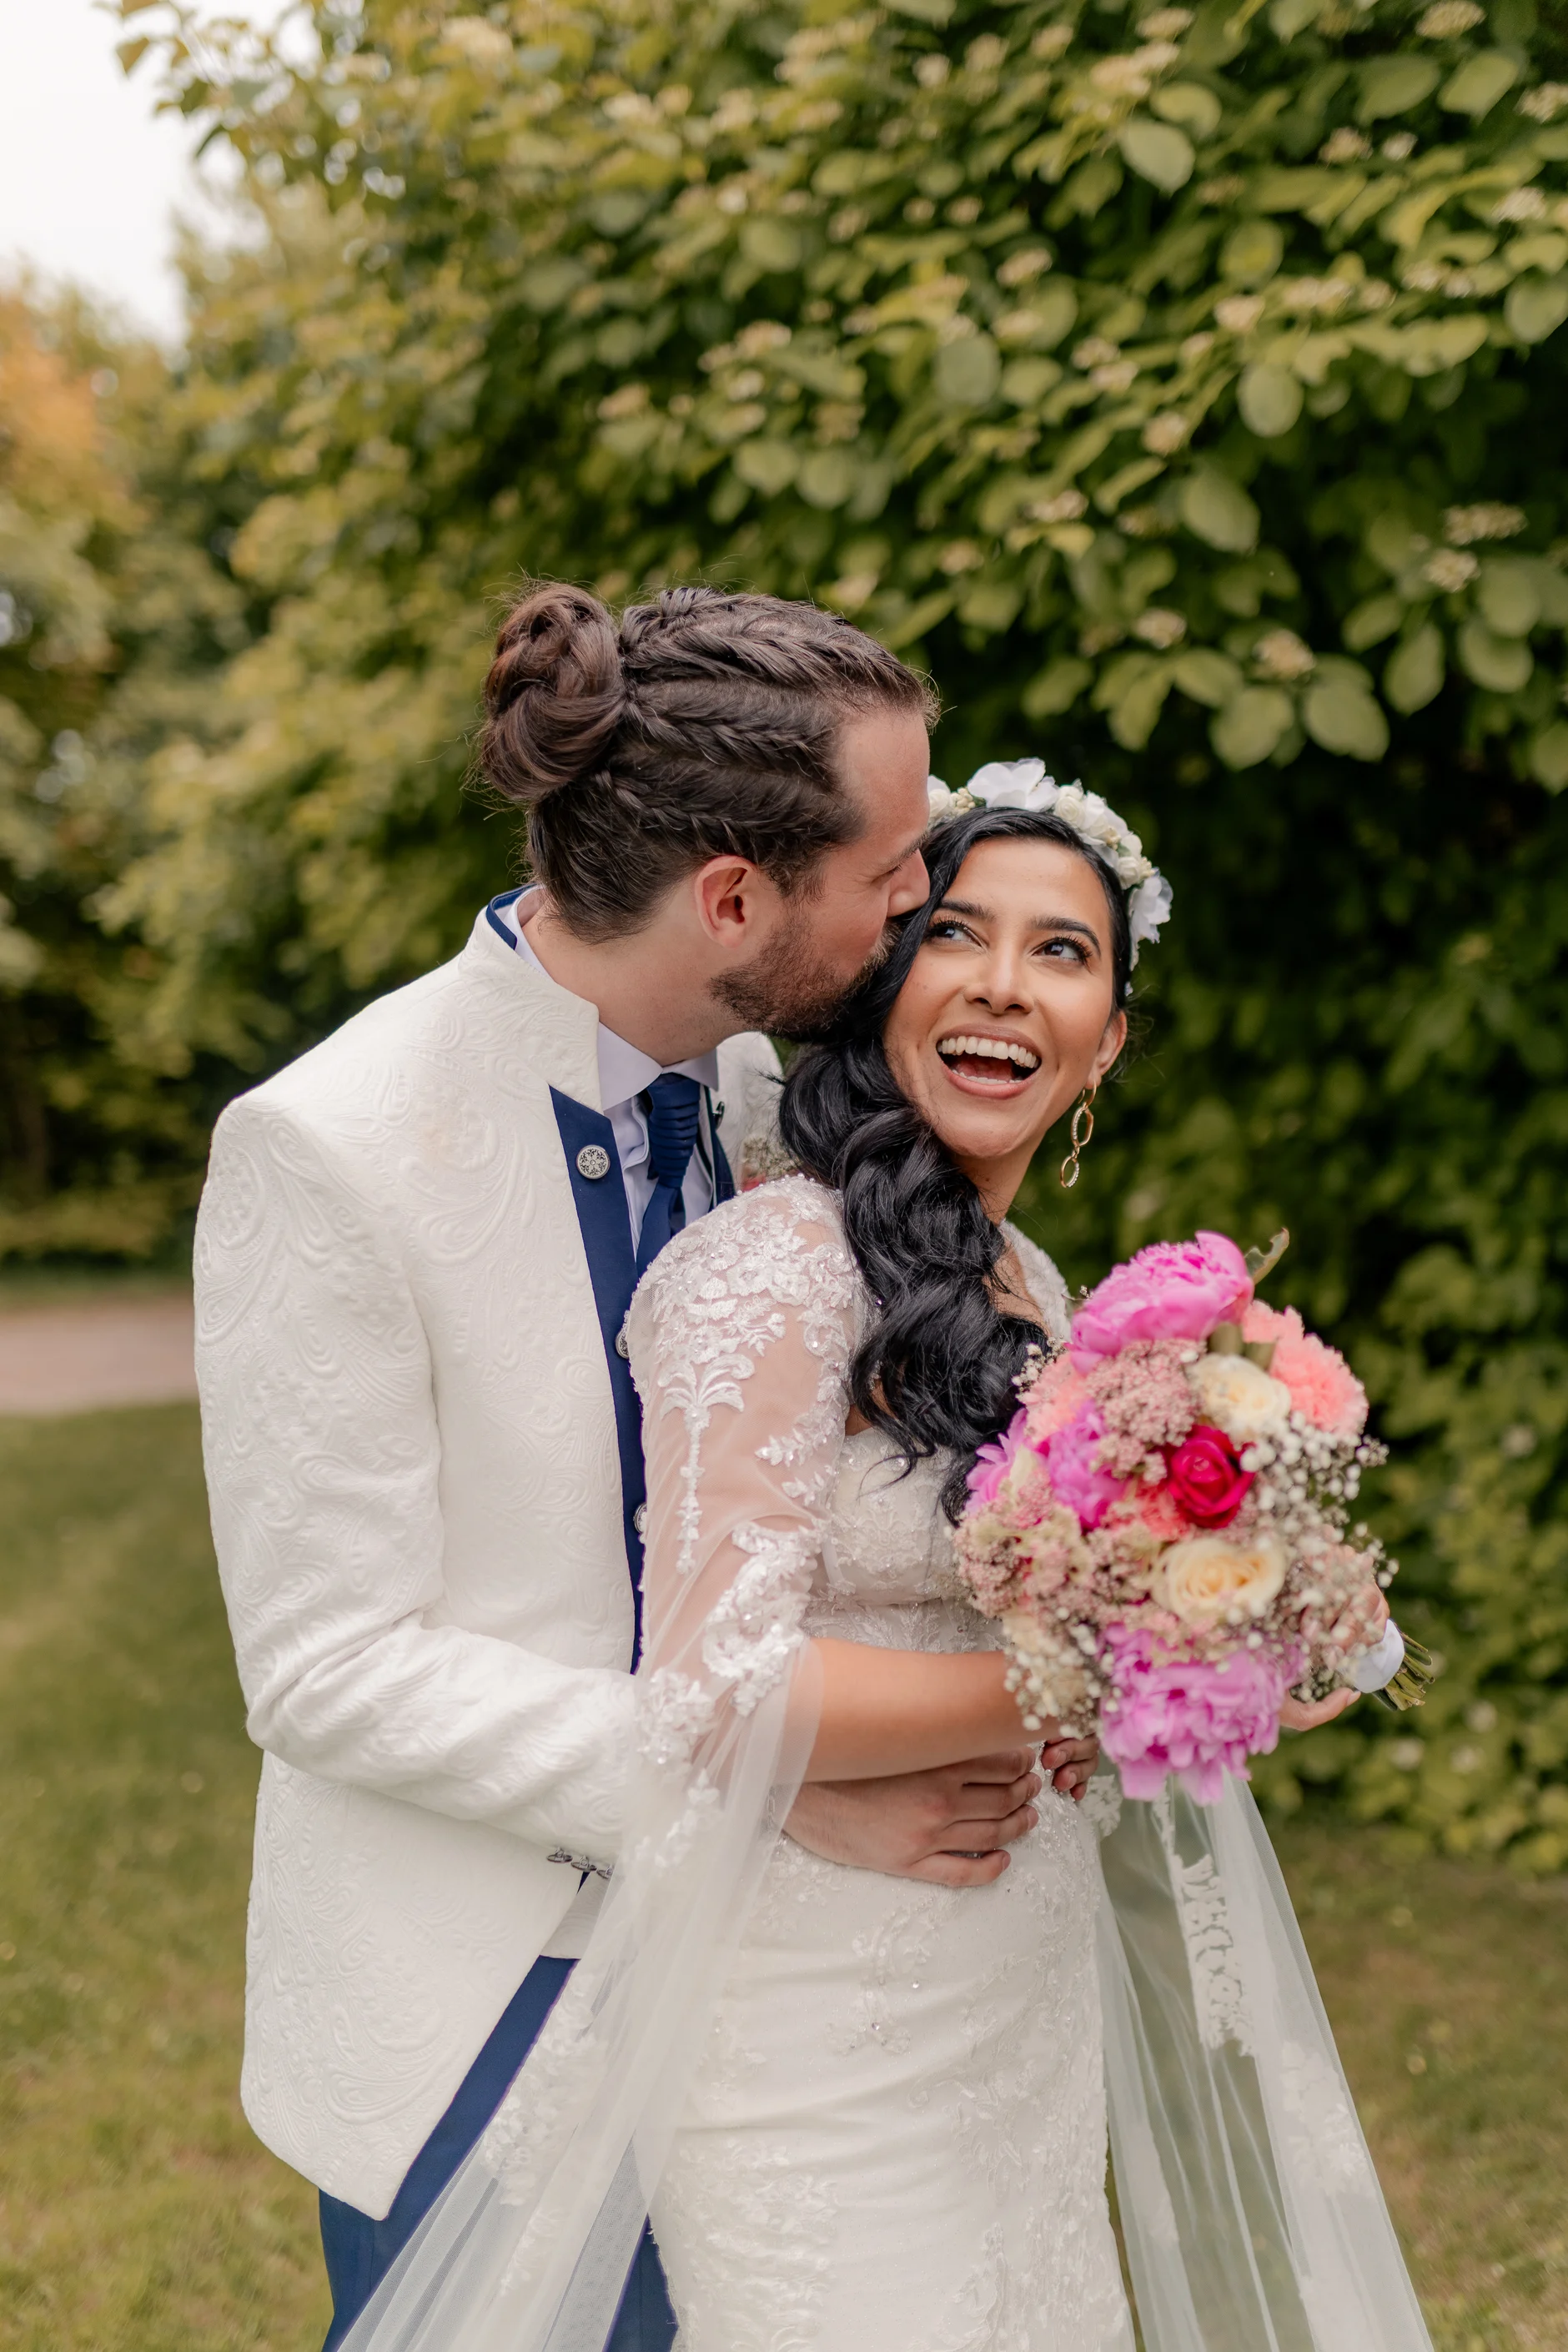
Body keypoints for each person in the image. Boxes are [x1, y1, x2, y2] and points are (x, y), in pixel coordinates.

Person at [338, 773, 1435, 2352]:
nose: (1004, 982)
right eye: (955, 936)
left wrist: (1251, 1607)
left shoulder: (1037, 1290)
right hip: (819, 2022)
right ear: (878, 978)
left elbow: (1071, 1607)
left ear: (1109, 1035)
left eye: (1062, 953)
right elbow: (718, 1685)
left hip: (1014, 1982)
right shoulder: (771, 1273)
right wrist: (1086, 1686)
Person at [193, 585, 1099, 2352]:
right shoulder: (333, 1146)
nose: (925, 904)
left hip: (797, 1995)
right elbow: (326, 1668)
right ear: (737, 900)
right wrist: (751, 1780)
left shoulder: (773, 1090)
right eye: (898, 869)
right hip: (489, 1978)